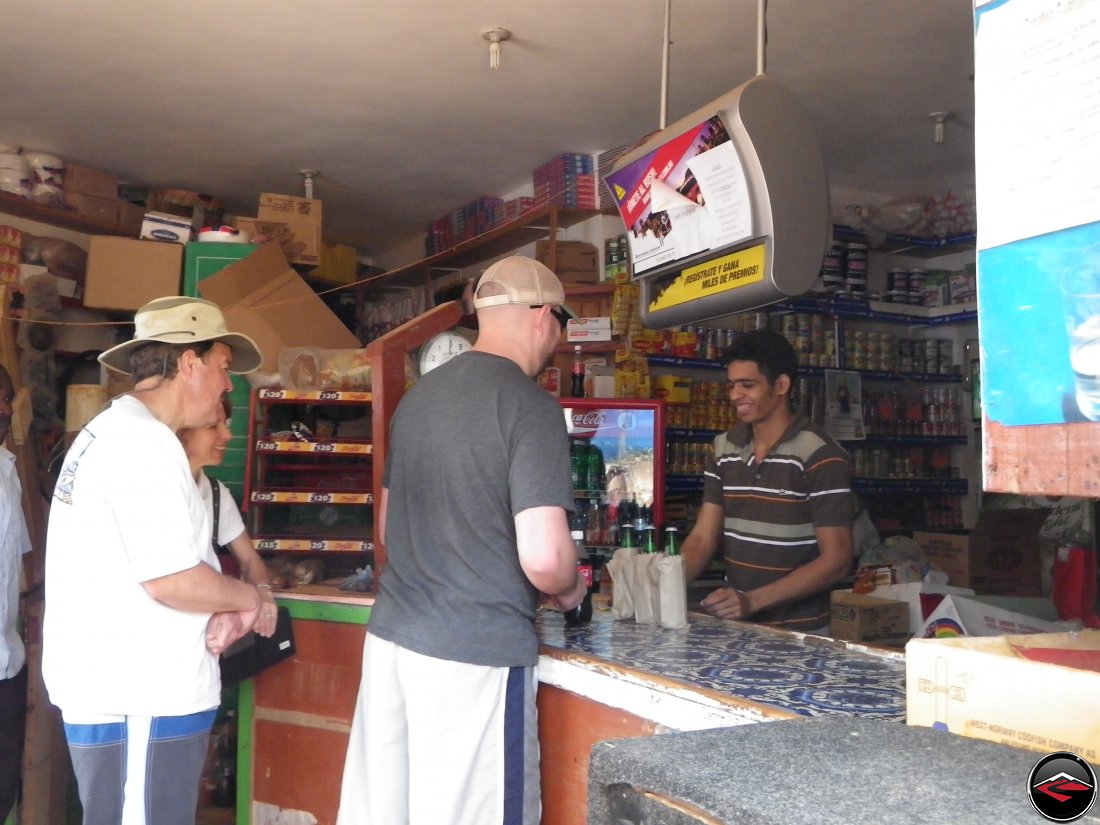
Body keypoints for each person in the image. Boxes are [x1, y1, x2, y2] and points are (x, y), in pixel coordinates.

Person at [336, 256, 588, 825]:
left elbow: (387, 532)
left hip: (392, 645)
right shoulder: (530, 406)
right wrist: (571, 592)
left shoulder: (418, 400)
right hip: (473, 657)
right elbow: (546, 559)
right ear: (545, 317)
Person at [42, 296, 267, 825]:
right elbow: (173, 581)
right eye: (223, 368)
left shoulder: (126, 434)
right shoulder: (141, 444)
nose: (227, 385)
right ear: (189, 363)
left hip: (137, 691)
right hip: (140, 697)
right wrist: (250, 598)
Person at [680, 329, 854, 633]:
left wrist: (752, 601)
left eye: (748, 385)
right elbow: (702, 538)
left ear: (782, 385)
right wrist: (661, 587)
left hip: (802, 637)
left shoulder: (820, 454)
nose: (735, 396)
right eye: (732, 385)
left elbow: (837, 559)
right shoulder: (723, 449)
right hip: (738, 629)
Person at [178, 396, 276, 638]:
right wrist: (245, 598)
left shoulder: (215, 493)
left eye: (226, 425)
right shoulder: (157, 490)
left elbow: (249, 560)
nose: (227, 435)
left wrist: (263, 592)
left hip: (205, 640)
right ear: (181, 433)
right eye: (213, 426)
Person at [0, 365, 31, 823]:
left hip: (8, 663)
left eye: (7, 398)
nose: (4, 409)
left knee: (4, 786)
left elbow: (19, 566)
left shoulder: (8, 472)